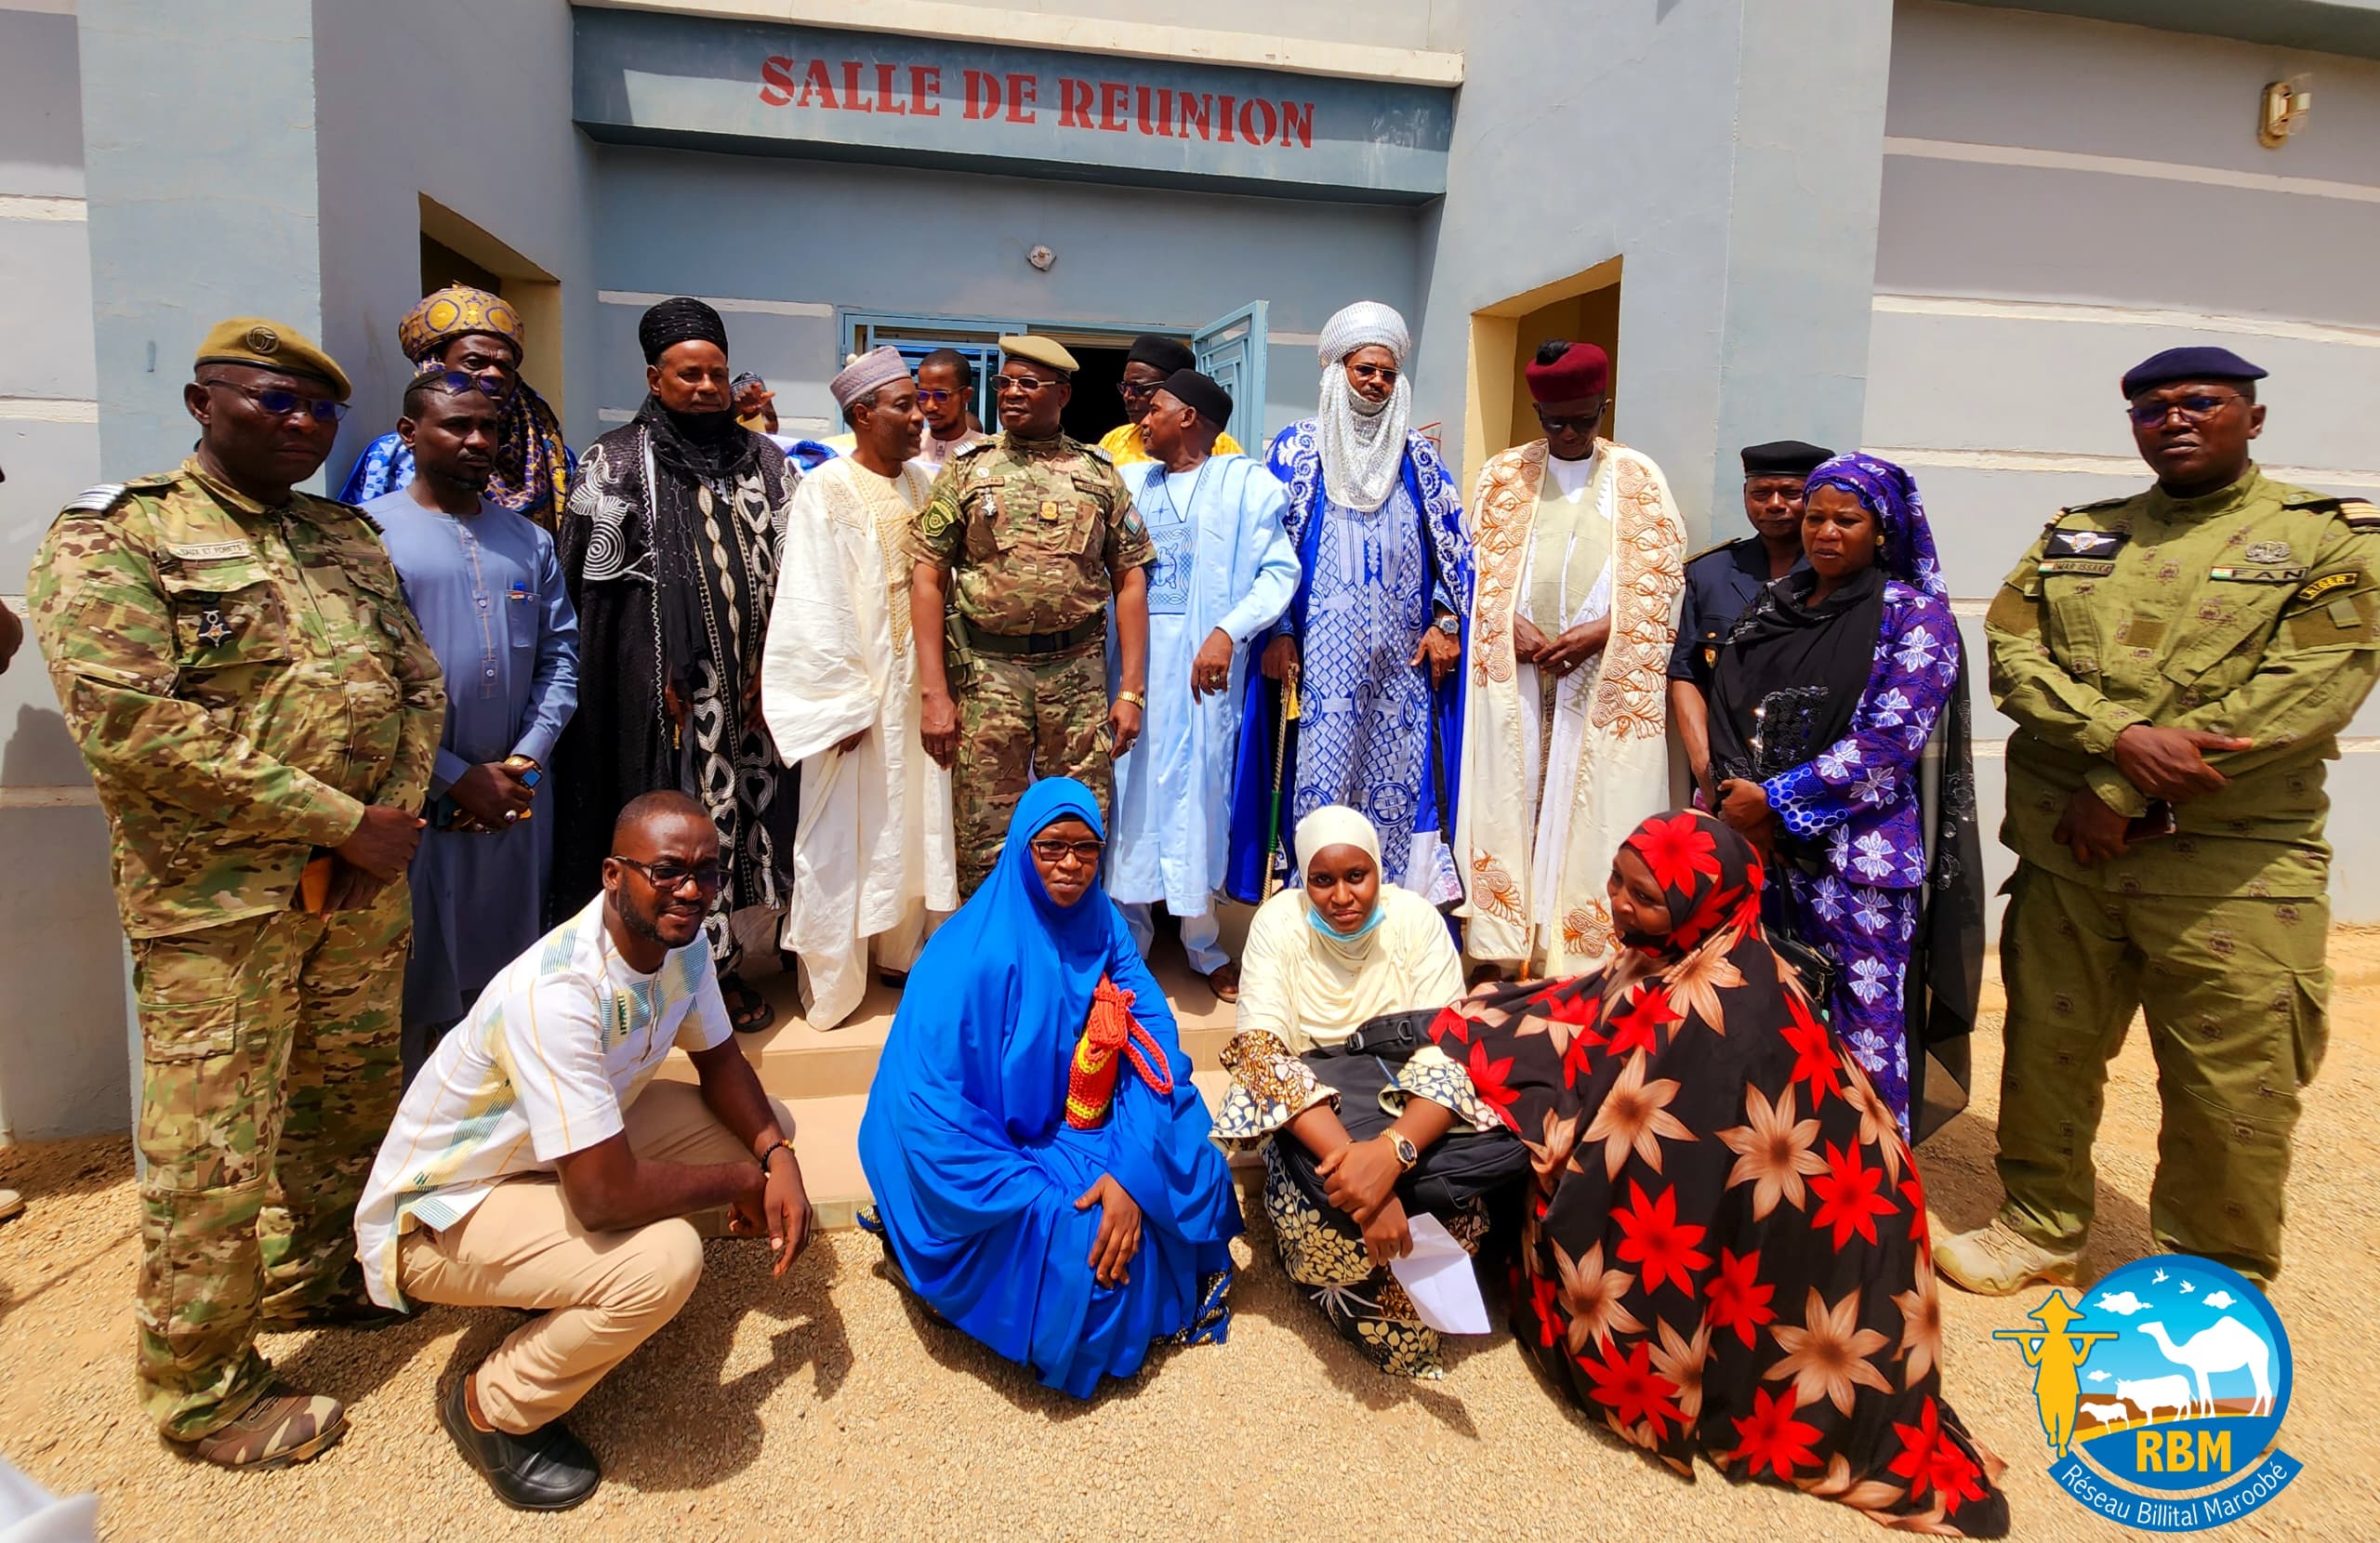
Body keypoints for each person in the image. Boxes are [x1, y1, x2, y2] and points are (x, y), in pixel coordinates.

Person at [26, 318, 444, 1467]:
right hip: (218, 904)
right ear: (205, 402)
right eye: (274, 400)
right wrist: (345, 822)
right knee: (211, 1144)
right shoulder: (118, 536)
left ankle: (315, 1276)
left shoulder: (343, 534)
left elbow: (415, 679)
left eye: (319, 410)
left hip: (356, 888)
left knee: (344, 1097)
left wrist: (389, 823)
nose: (303, 423)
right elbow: (132, 726)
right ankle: (204, 1389)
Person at [1431, 811, 2009, 1536]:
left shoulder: (1724, 1006)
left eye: (1643, 894)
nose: (1618, 901)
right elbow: (1598, 1014)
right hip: (1773, 1181)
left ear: (1702, 902)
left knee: (1589, 1213)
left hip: (1814, 1242)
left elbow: (1669, 1166)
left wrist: (1557, 1134)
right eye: (1617, 878)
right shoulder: (1688, 945)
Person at [1938, 346, 2380, 1294]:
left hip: (2232, 866)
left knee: (2232, 1084)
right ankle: (2041, 1223)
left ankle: (2210, 1277)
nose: (2173, 419)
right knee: (2048, 1053)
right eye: (2150, 408)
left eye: (2201, 402)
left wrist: (2121, 788)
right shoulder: (2079, 536)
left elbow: (2310, 691)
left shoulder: (2327, 538)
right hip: (2070, 862)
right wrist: (2114, 733)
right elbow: (2014, 653)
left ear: (2251, 418)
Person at [354, 791, 813, 1511]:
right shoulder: (559, 992)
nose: (690, 891)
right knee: (664, 1260)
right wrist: (742, 1183)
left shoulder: (681, 943)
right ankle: (491, 1407)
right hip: (450, 1202)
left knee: (765, 1122)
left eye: (706, 872)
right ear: (611, 874)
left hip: (548, 1154)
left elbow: (722, 1061)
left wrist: (776, 1158)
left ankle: (555, 1285)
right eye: (666, 871)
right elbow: (603, 1198)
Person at [856, 779, 1241, 1398]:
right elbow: (924, 1112)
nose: (1071, 865)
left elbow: (1156, 1038)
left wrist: (1130, 1173)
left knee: (1195, 1155)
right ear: (1020, 850)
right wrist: (1037, 1198)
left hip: (1083, 1119)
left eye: (1086, 849)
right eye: (1052, 847)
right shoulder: (966, 956)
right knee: (1085, 1253)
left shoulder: (1103, 924)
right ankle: (934, 1260)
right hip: (983, 1154)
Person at [1707, 454, 1984, 1139]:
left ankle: (1870, 1184)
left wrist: (1772, 800)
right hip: (1763, 855)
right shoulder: (1780, 607)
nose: (1825, 532)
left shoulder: (1917, 619)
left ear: (1883, 530)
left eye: (1847, 520)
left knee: (1864, 1030)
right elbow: (1734, 705)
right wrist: (1740, 798)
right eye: (1816, 517)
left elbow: (1890, 741)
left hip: (1856, 862)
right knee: (1768, 1013)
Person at [552, 297, 799, 1033]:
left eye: (716, 374)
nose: (705, 387)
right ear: (655, 378)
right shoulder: (615, 460)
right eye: (688, 374)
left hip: (757, 697)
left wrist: (777, 672)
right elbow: (591, 597)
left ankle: (730, 969)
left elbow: (803, 580)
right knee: (677, 840)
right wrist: (639, 681)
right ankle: (674, 986)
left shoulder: (767, 462)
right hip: (666, 702)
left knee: (752, 829)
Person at [1215, 806, 1508, 1377]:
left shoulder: (1415, 920)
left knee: (1455, 1223)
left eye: (1358, 876)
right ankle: (1345, 1281)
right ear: (1304, 880)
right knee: (1331, 1232)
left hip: (1411, 1111)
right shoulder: (1279, 925)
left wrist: (1392, 1154)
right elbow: (1261, 1054)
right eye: (1322, 880)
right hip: (1315, 1124)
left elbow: (1449, 1046)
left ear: (1379, 870)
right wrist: (1365, 1181)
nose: (1342, 897)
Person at [363, 371, 579, 1081]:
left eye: (489, 426)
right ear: (409, 434)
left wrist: (524, 764)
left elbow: (560, 661)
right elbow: (366, 684)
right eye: (457, 425)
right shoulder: (371, 539)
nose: (479, 440)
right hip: (418, 805)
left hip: (516, 803)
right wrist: (455, 779)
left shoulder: (527, 542)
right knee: (412, 984)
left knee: (505, 977)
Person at [1227, 301, 1470, 904]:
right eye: (1365, 370)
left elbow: (1457, 550)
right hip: (1317, 670)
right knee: (1318, 787)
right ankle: (1312, 916)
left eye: (1387, 373)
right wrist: (1279, 628)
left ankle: (1393, 919)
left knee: (1397, 787)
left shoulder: (1420, 457)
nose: (1377, 383)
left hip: (1402, 672)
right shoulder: (1296, 449)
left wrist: (1444, 620)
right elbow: (1266, 545)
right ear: (1338, 369)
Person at [1458, 340, 1686, 975]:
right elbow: (1471, 577)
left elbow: (1664, 584)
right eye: (1553, 421)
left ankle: (1578, 959)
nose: (1568, 433)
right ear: (1536, 412)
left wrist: (1605, 632)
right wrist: (1506, 624)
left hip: (1597, 675)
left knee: (1586, 803)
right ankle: (1504, 947)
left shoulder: (1639, 478)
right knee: (1516, 795)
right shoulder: (1504, 476)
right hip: (1520, 676)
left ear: (1603, 408)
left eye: (1583, 420)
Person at [912, 336, 1152, 897]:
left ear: (1063, 394)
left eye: (1028, 384)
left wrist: (1132, 691)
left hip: (1077, 676)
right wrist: (934, 694)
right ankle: (995, 958)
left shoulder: (1098, 473)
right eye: (1004, 384)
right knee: (984, 834)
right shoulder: (968, 471)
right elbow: (927, 578)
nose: (1011, 394)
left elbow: (1131, 578)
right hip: (988, 674)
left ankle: (1071, 955)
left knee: (1078, 824)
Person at [760, 348, 959, 1028]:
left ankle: (902, 954)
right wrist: (837, 705)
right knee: (843, 835)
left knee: (913, 824)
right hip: (855, 704)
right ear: (861, 414)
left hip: (916, 692)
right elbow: (812, 602)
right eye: (904, 405)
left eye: (923, 403)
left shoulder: (922, 488)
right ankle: (838, 981)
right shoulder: (826, 489)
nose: (920, 416)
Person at [1107, 368, 1298, 1000]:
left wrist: (1227, 631)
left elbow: (1277, 574)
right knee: (1130, 793)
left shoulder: (1248, 486)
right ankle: (1128, 941)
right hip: (1131, 668)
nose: (1141, 417)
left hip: (1203, 676)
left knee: (1196, 796)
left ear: (1187, 416)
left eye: (1154, 406)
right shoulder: (1130, 481)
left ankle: (1201, 942)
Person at [1670, 440, 1831, 794]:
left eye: (1790, 493)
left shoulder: (1839, 576)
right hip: (1726, 772)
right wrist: (1701, 763)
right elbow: (1686, 673)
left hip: (1814, 775)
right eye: (1761, 493)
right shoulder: (1709, 572)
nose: (1774, 505)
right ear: (1745, 495)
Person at [338, 285, 573, 530]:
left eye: (505, 366)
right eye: (474, 362)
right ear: (436, 366)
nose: (495, 374)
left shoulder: (553, 457)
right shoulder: (390, 455)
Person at [1092, 335, 1246, 468]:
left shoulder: (1219, 447)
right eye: (1125, 386)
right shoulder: (1115, 441)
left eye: (1139, 388)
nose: (1127, 396)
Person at [912, 348, 992, 474]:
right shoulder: (907, 448)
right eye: (923, 395)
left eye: (941, 396)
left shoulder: (987, 454)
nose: (930, 406)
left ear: (966, 395)